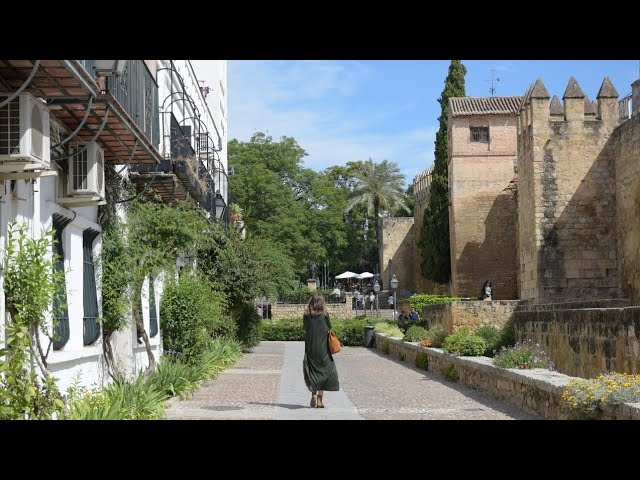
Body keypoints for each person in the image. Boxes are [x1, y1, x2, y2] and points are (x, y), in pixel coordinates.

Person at [303, 294, 339, 408]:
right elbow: (329, 328)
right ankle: (319, 400)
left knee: (312, 371)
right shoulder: (325, 315)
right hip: (323, 349)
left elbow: (305, 328)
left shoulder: (306, 316)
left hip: (310, 348)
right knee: (325, 372)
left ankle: (313, 394)